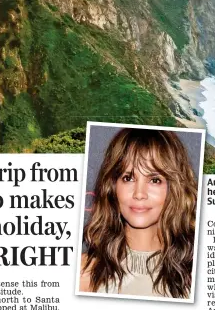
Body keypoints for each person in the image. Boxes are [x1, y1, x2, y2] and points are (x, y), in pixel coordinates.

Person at [79, 128, 197, 299]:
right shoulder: (82, 275)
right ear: (113, 187)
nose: (139, 193)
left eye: (155, 180)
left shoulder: (195, 280)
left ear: (174, 189)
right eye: (128, 178)